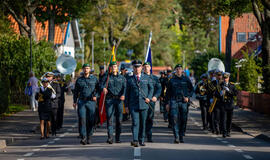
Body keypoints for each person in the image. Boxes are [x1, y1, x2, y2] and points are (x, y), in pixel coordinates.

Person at [125, 60, 154, 147]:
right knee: (135, 122)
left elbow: (151, 89)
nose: (137, 69)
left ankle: (142, 139)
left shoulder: (146, 78)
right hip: (133, 105)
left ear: (141, 67)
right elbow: (127, 93)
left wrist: (149, 97)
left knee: (143, 123)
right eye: (135, 67)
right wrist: (126, 105)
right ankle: (135, 140)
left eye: (138, 67)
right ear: (133, 68)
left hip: (144, 104)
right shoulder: (129, 79)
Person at [165, 64, 193, 143]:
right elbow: (168, 93)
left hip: (184, 102)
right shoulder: (172, 80)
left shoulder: (186, 79)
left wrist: (188, 96)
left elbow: (191, 89)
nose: (178, 70)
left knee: (183, 119)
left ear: (182, 70)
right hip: (174, 101)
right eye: (177, 69)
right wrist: (167, 103)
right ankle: (176, 136)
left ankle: (181, 135)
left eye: (180, 69)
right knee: (174, 119)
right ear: (175, 71)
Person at [73, 63, 99, 145]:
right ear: (83, 69)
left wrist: (96, 96)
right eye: (85, 68)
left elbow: (99, 89)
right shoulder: (79, 80)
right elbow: (76, 92)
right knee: (82, 119)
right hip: (82, 102)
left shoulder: (94, 79)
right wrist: (74, 101)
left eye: (87, 68)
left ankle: (89, 136)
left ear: (90, 69)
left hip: (91, 102)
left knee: (91, 120)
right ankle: (83, 137)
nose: (86, 70)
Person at [101, 61, 126, 144]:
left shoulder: (122, 77)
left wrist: (123, 95)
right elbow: (101, 85)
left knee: (119, 120)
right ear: (110, 68)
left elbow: (125, 88)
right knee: (109, 119)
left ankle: (118, 137)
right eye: (112, 66)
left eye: (115, 66)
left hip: (119, 100)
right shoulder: (107, 77)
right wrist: (103, 88)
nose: (114, 68)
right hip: (109, 100)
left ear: (117, 67)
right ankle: (110, 137)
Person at [143, 62, 162, 142]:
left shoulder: (154, 78)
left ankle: (149, 135)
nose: (146, 68)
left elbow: (159, 88)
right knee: (143, 119)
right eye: (145, 67)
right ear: (143, 68)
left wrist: (156, 96)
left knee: (150, 118)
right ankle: (142, 136)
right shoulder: (140, 77)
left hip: (151, 101)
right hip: (142, 101)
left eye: (147, 66)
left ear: (150, 68)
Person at [220, 72, 237, 138]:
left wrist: (229, 91)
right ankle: (224, 132)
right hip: (223, 104)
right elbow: (215, 93)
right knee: (224, 119)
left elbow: (235, 93)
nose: (225, 79)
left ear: (228, 78)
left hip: (230, 104)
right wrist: (220, 93)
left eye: (226, 78)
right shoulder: (220, 85)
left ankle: (228, 131)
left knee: (229, 119)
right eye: (224, 78)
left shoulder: (232, 85)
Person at [45, 72, 61, 136]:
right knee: (46, 118)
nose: (48, 78)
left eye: (49, 77)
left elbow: (59, 93)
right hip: (46, 103)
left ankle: (54, 130)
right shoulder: (44, 84)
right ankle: (47, 131)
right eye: (47, 77)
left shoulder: (56, 84)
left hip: (53, 103)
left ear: (52, 77)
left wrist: (55, 96)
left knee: (53, 118)